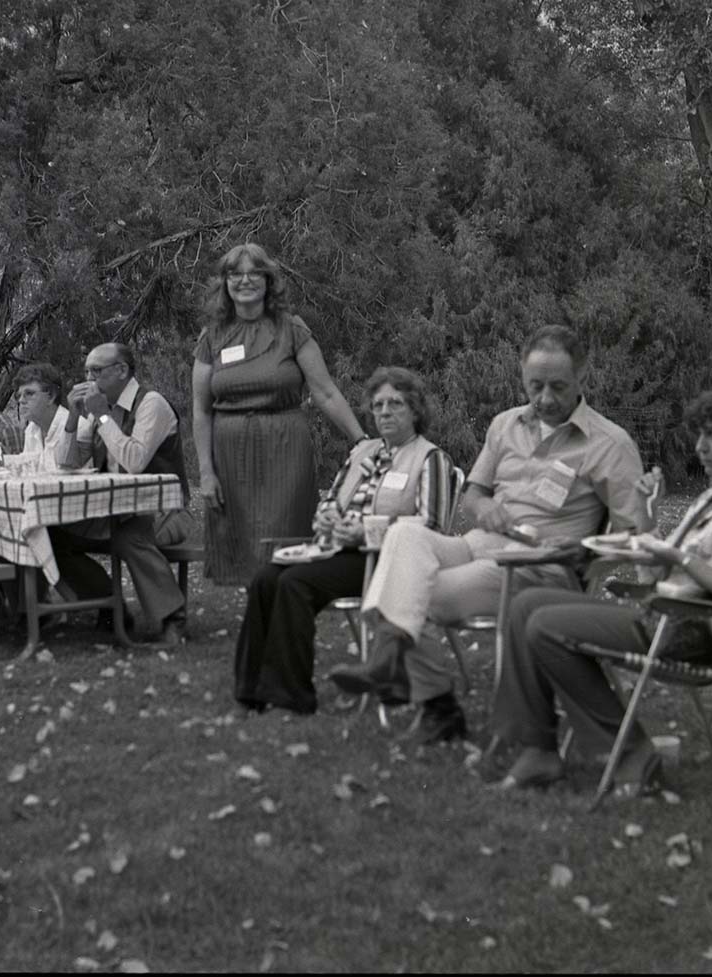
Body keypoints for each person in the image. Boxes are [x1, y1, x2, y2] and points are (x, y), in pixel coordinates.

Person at [490, 385, 712, 795]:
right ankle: (537, 749)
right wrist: (648, 522)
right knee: (524, 604)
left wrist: (681, 558)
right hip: (665, 614)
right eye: (698, 435)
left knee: (543, 624)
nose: (700, 447)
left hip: (698, 631)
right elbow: (659, 576)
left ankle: (631, 754)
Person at [331, 324, 652, 707]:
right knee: (405, 536)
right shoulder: (506, 424)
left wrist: (583, 550)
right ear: (522, 375)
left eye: (558, 386)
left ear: (581, 377)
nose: (545, 398)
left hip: (539, 566)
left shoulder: (610, 444)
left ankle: (428, 697)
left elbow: (635, 535)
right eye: (535, 385)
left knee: (406, 589)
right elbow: (474, 494)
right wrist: (485, 507)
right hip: (477, 546)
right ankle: (393, 667)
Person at [234, 367, 459, 731]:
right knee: (265, 578)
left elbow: (433, 526)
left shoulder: (430, 459)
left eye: (395, 404)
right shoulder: (362, 452)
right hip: (335, 549)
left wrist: (367, 530)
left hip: (383, 563)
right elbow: (333, 499)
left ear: (415, 411)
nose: (384, 412)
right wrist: (325, 518)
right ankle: (249, 692)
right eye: (378, 405)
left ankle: (291, 697)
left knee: (295, 584)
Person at [192, 243, 365, 585]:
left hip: (285, 450)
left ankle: (287, 609)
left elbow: (325, 391)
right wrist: (206, 472)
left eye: (255, 272)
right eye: (235, 274)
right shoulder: (211, 336)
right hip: (230, 456)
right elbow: (200, 409)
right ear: (225, 283)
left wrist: (360, 440)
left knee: (283, 542)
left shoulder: (292, 329)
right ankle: (258, 623)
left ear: (268, 280)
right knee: (241, 551)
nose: (245, 281)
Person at [49, 342, 194, 645]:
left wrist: (102, 417)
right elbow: (66, 463)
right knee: (53, 536)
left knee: (129, 536)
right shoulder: (99, 409)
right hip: (115, 511)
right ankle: (109, 607)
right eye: (87, 371)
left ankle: (173, 618)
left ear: (122, 371)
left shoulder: (151, 403)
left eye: (97, 371)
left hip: (166, 510)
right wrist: (74, 419)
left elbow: (134, 462)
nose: (89, 379)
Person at [16, 362, 73, 471]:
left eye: (29, 393)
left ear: (51, 396)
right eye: (19, 395)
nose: (21, 400)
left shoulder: (73, 426)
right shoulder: (31, 430)